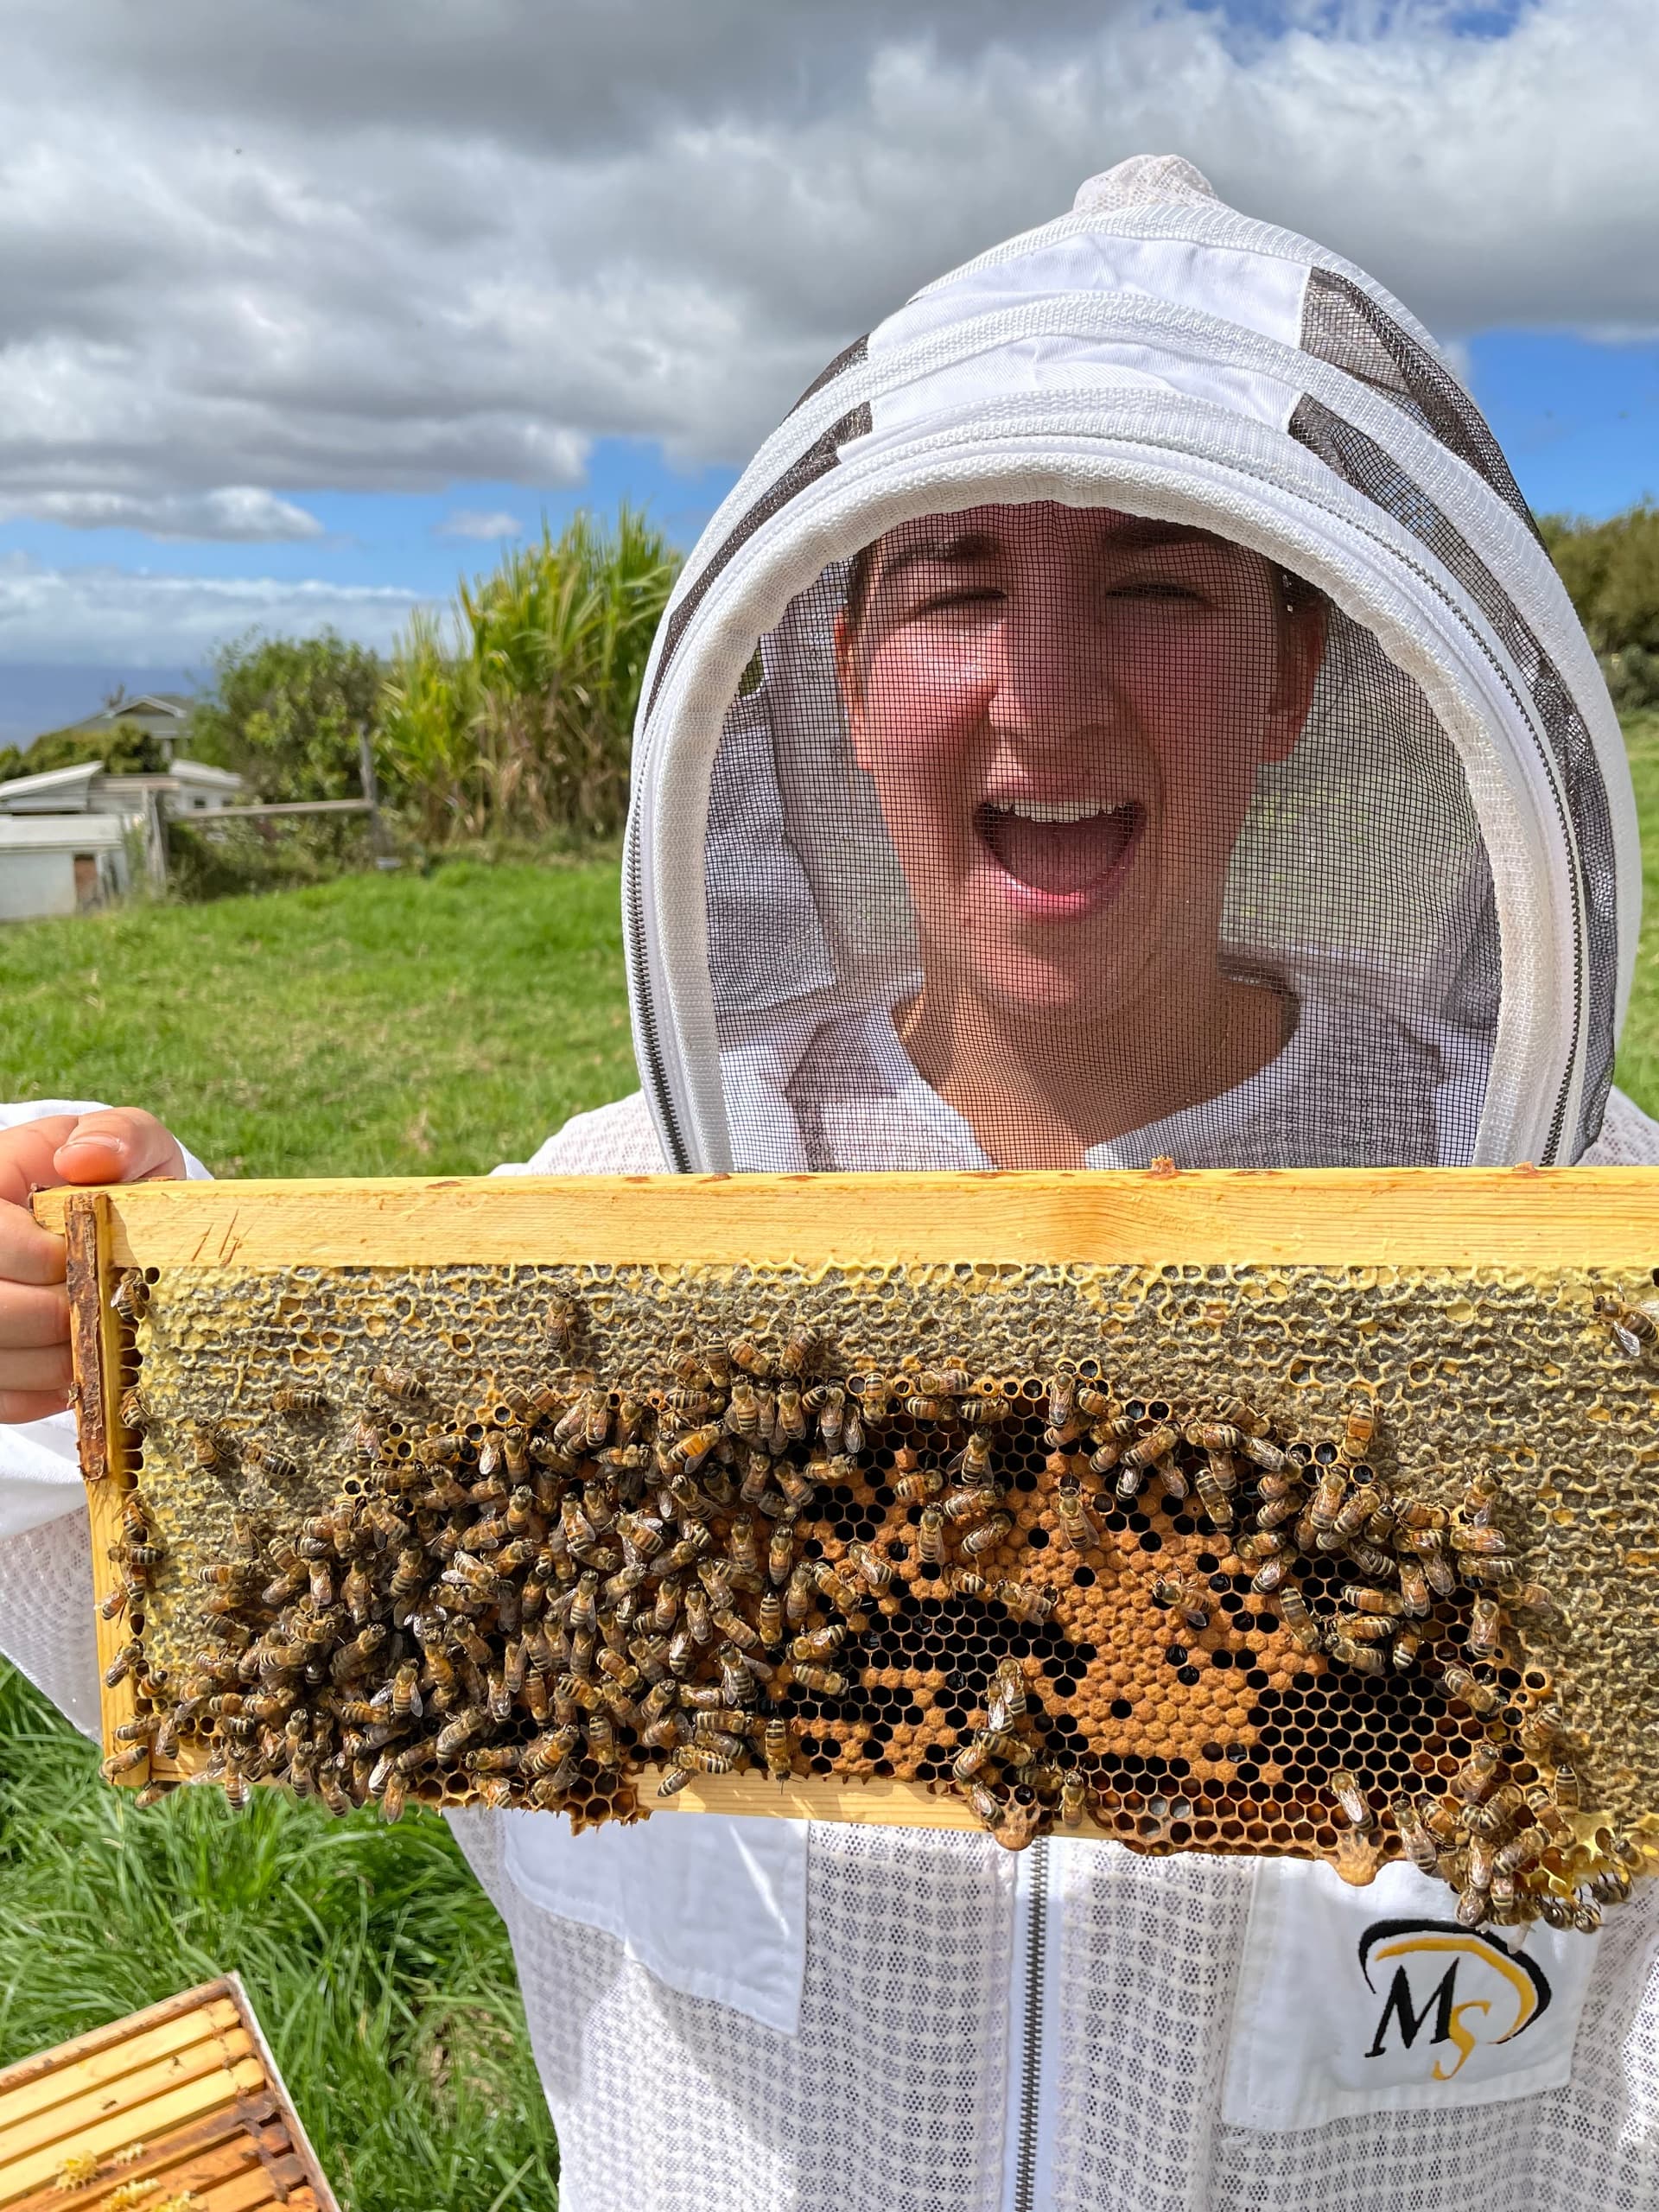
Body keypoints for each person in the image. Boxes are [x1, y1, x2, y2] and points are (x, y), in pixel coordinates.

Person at [3, 154, 1657, 2212]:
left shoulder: (1593, 1273)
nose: (1044, 691)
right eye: (957, 585)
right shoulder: (619, 1223)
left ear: (1304, 670)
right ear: (843, 676)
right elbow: (257, 1624)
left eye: (1159, 580)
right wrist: (94, 1377)